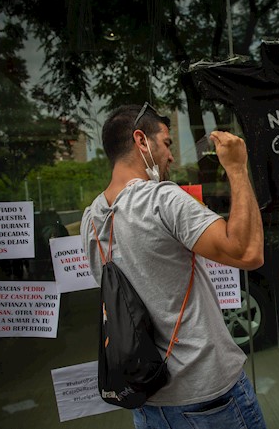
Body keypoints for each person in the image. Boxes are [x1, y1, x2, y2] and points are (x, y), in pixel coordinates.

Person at [80, 103, 267, 429]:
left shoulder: (90, 219)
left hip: (147, 399)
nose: (171, 156)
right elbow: (247, 252)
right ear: (142, 141)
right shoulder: (162, 199)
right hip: (208, 396)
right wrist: (237, 168)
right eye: (166, 143)